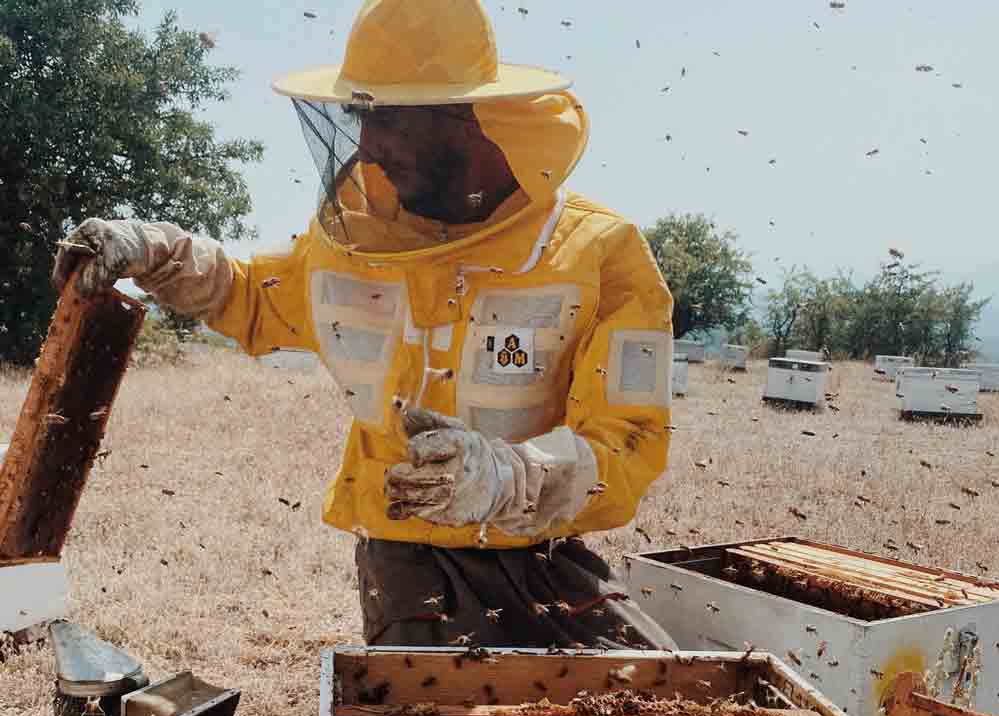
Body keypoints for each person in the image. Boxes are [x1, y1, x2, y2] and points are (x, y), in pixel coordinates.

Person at [53, 0, 677, 651]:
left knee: (664, 713)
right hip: (407, 566)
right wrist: (155, 250)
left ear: (464, 117)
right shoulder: (356, 239)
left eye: (389, 119)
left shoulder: (601, 255)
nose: (369, 147)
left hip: (545, 553)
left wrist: (509, 478)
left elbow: (629, 440)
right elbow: (254, 297)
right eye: (360, 116)